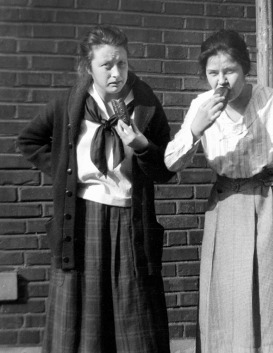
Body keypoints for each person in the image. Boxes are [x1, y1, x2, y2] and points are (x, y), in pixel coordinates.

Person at [164, 29, 273, 353]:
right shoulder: (201, 106)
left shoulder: (272, 101)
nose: (221, 80)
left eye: (229, 70)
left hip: (268, 205)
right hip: (225, 209)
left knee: (272, 296)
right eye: (213, 73)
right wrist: (195, 129)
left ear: (245, 68)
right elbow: (171, 162)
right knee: (228, 299)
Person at [17, 25, 174, 353]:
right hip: (82, 220)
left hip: (131, 223)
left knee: (136, 318)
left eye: (122, 64)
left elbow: (165, 170)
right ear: (87, 67)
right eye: (107, 65)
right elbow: (29, 140)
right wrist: (65, 174)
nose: (116, 73)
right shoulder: (69, 105)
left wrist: (143, 146)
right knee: (83, 323)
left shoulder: (144, 104)